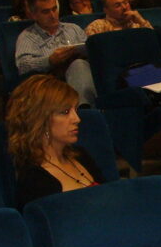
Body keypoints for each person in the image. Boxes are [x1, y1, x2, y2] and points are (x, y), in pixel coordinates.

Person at [6, 74, 104, 211]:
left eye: (75, 110)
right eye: (65, 112)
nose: (77, 119)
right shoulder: (34, 180)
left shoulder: (81, 155)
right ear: (40, 119)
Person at [15, 0, 95, 106]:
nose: (53, 15)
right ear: (33, 15)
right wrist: (50, 60)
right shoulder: (27, 37)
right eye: (46, 12)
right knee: (78, 66)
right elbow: (23, 65)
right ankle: (85, 110)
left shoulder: (73, 29)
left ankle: (86, 108)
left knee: (80, 64)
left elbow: (91, 49)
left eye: (54, 9)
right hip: (51, 80)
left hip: (81, 72)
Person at [85, 0, 153, 35]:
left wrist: (141, 21)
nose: (124, 7)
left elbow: (153, 41)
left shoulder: (137, 24)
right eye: (117, 5)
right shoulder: (96, 27)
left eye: (125, 2)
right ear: (106, 10)